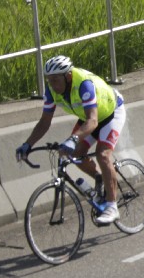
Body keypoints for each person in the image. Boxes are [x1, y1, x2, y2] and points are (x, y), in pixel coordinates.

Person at [16, 55, 126, 224]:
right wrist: (27, 144)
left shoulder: (83, 84)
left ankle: (112, 206)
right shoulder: (51, 91)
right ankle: (99, 178)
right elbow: (44, 122)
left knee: (103, 155)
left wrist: (73, 138)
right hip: (89, 117)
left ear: (67, 76)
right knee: (74, 154)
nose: (52, 84)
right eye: (49, 80)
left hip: (111, 113)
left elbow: (93, 121)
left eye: (55, 79)